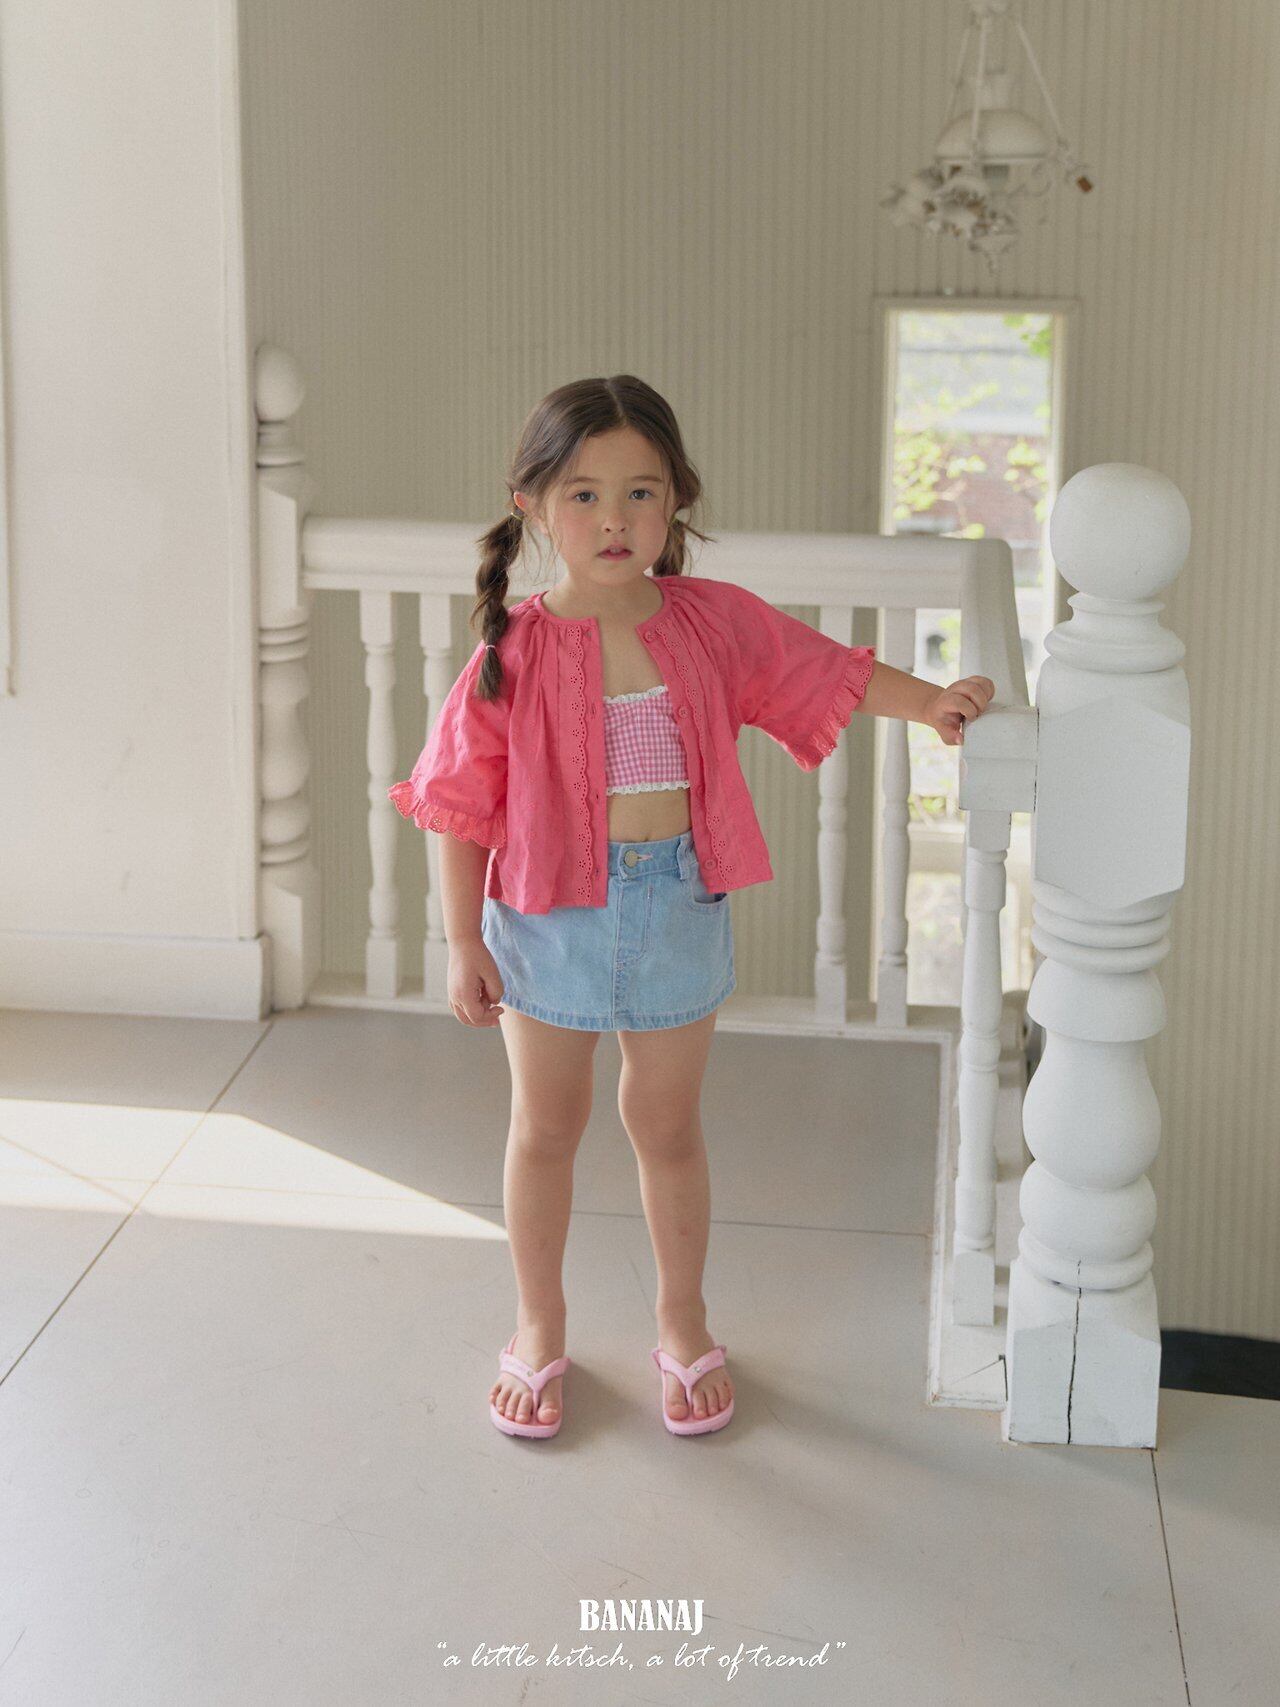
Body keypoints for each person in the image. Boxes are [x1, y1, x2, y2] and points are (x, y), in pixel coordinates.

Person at [388, 375, 994, 1441]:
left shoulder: (713, 622)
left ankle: (681, 1317)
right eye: (583, 495)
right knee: (545, 1126)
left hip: (678, 905)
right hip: (544, 915)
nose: (613, 518)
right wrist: (459, 942)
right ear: (533, 505)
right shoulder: (509, 651)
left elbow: (826, 672)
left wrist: (932, 703)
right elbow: (457, 805)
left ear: (676, 502)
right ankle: (538, 1323)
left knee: (666, 1126)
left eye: (640, 492)